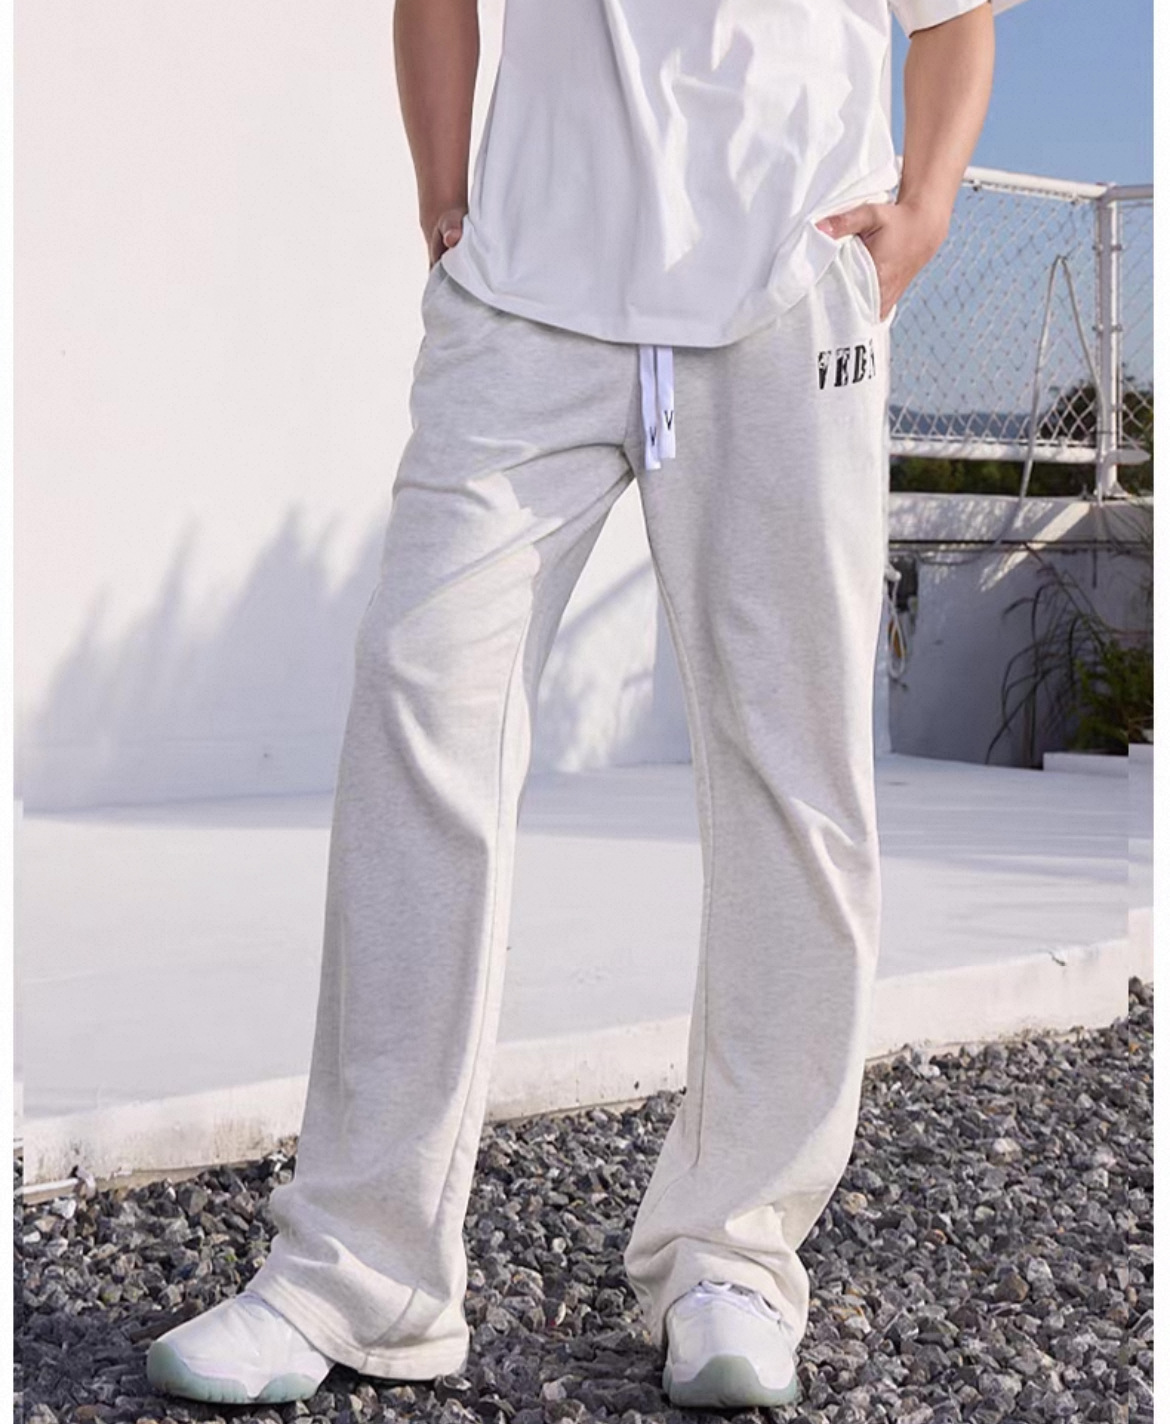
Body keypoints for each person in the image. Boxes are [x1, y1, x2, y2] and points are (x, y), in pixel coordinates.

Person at [146, 0, 998, 1409]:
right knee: (420, 705)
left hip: (789, 286)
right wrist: (443, 199)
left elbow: (954, 18)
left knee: (793, 772)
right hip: (524, 292)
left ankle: (733, 1252)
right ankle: (359, 1268)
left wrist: (926, 211)